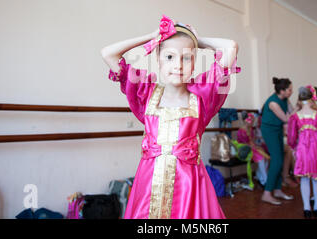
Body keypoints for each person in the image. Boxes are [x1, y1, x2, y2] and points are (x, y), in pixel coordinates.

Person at [100, 15, 240, 219]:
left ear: (194, 62)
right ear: (158, 59)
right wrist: (152, 37)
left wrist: (196, 40)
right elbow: (108, 54)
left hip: (190, 189)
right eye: (169, 57)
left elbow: (231, 47)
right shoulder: (144, 93)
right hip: (148, 187)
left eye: (187, 58)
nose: (178, 65)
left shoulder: (203, 97)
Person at [287, 86, 317, 219]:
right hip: (316, 148)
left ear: (299, 100)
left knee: (305, 178)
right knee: (316, 177)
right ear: (312, 99)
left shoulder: (295, 116)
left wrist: (293, 147)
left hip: (302, 148)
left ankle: (307, 208)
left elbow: (291, 136)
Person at [260, 77, 296, 205]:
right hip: (269, 131)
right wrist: (299, 107)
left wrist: (303, 107)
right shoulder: (273, 103)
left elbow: (293, 112)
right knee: (277, 160)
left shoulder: (285, 99)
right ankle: (267, 193)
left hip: (277, 130)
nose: (292, 91)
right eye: (289, 89)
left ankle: (277, 189)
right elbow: (286, 118)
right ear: (282, 90)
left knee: (280, 157)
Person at [234, 112, 270, 190]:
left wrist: (257, 147)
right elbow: (245, 144)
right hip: (245, 150)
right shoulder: (241, 131)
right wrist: (256, 148)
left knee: (266, 156)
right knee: (261, 158)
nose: (252, 123)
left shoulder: (250, 129)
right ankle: (265, 181)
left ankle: (260, 177)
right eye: (251, 121)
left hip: (252, 148)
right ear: (246, 121)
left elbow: (252, 142)